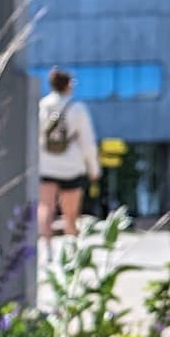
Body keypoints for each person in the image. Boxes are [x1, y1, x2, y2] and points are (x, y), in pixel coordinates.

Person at [38, 68, 101, 241]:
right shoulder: (77, 108)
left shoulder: (42, 106)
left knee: (46, 207)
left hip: (46, 165)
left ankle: (45, 247)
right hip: (72, 166)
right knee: (71, 214)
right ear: (68, 85)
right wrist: (93, 168)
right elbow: (87, 142)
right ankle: (71, 246)